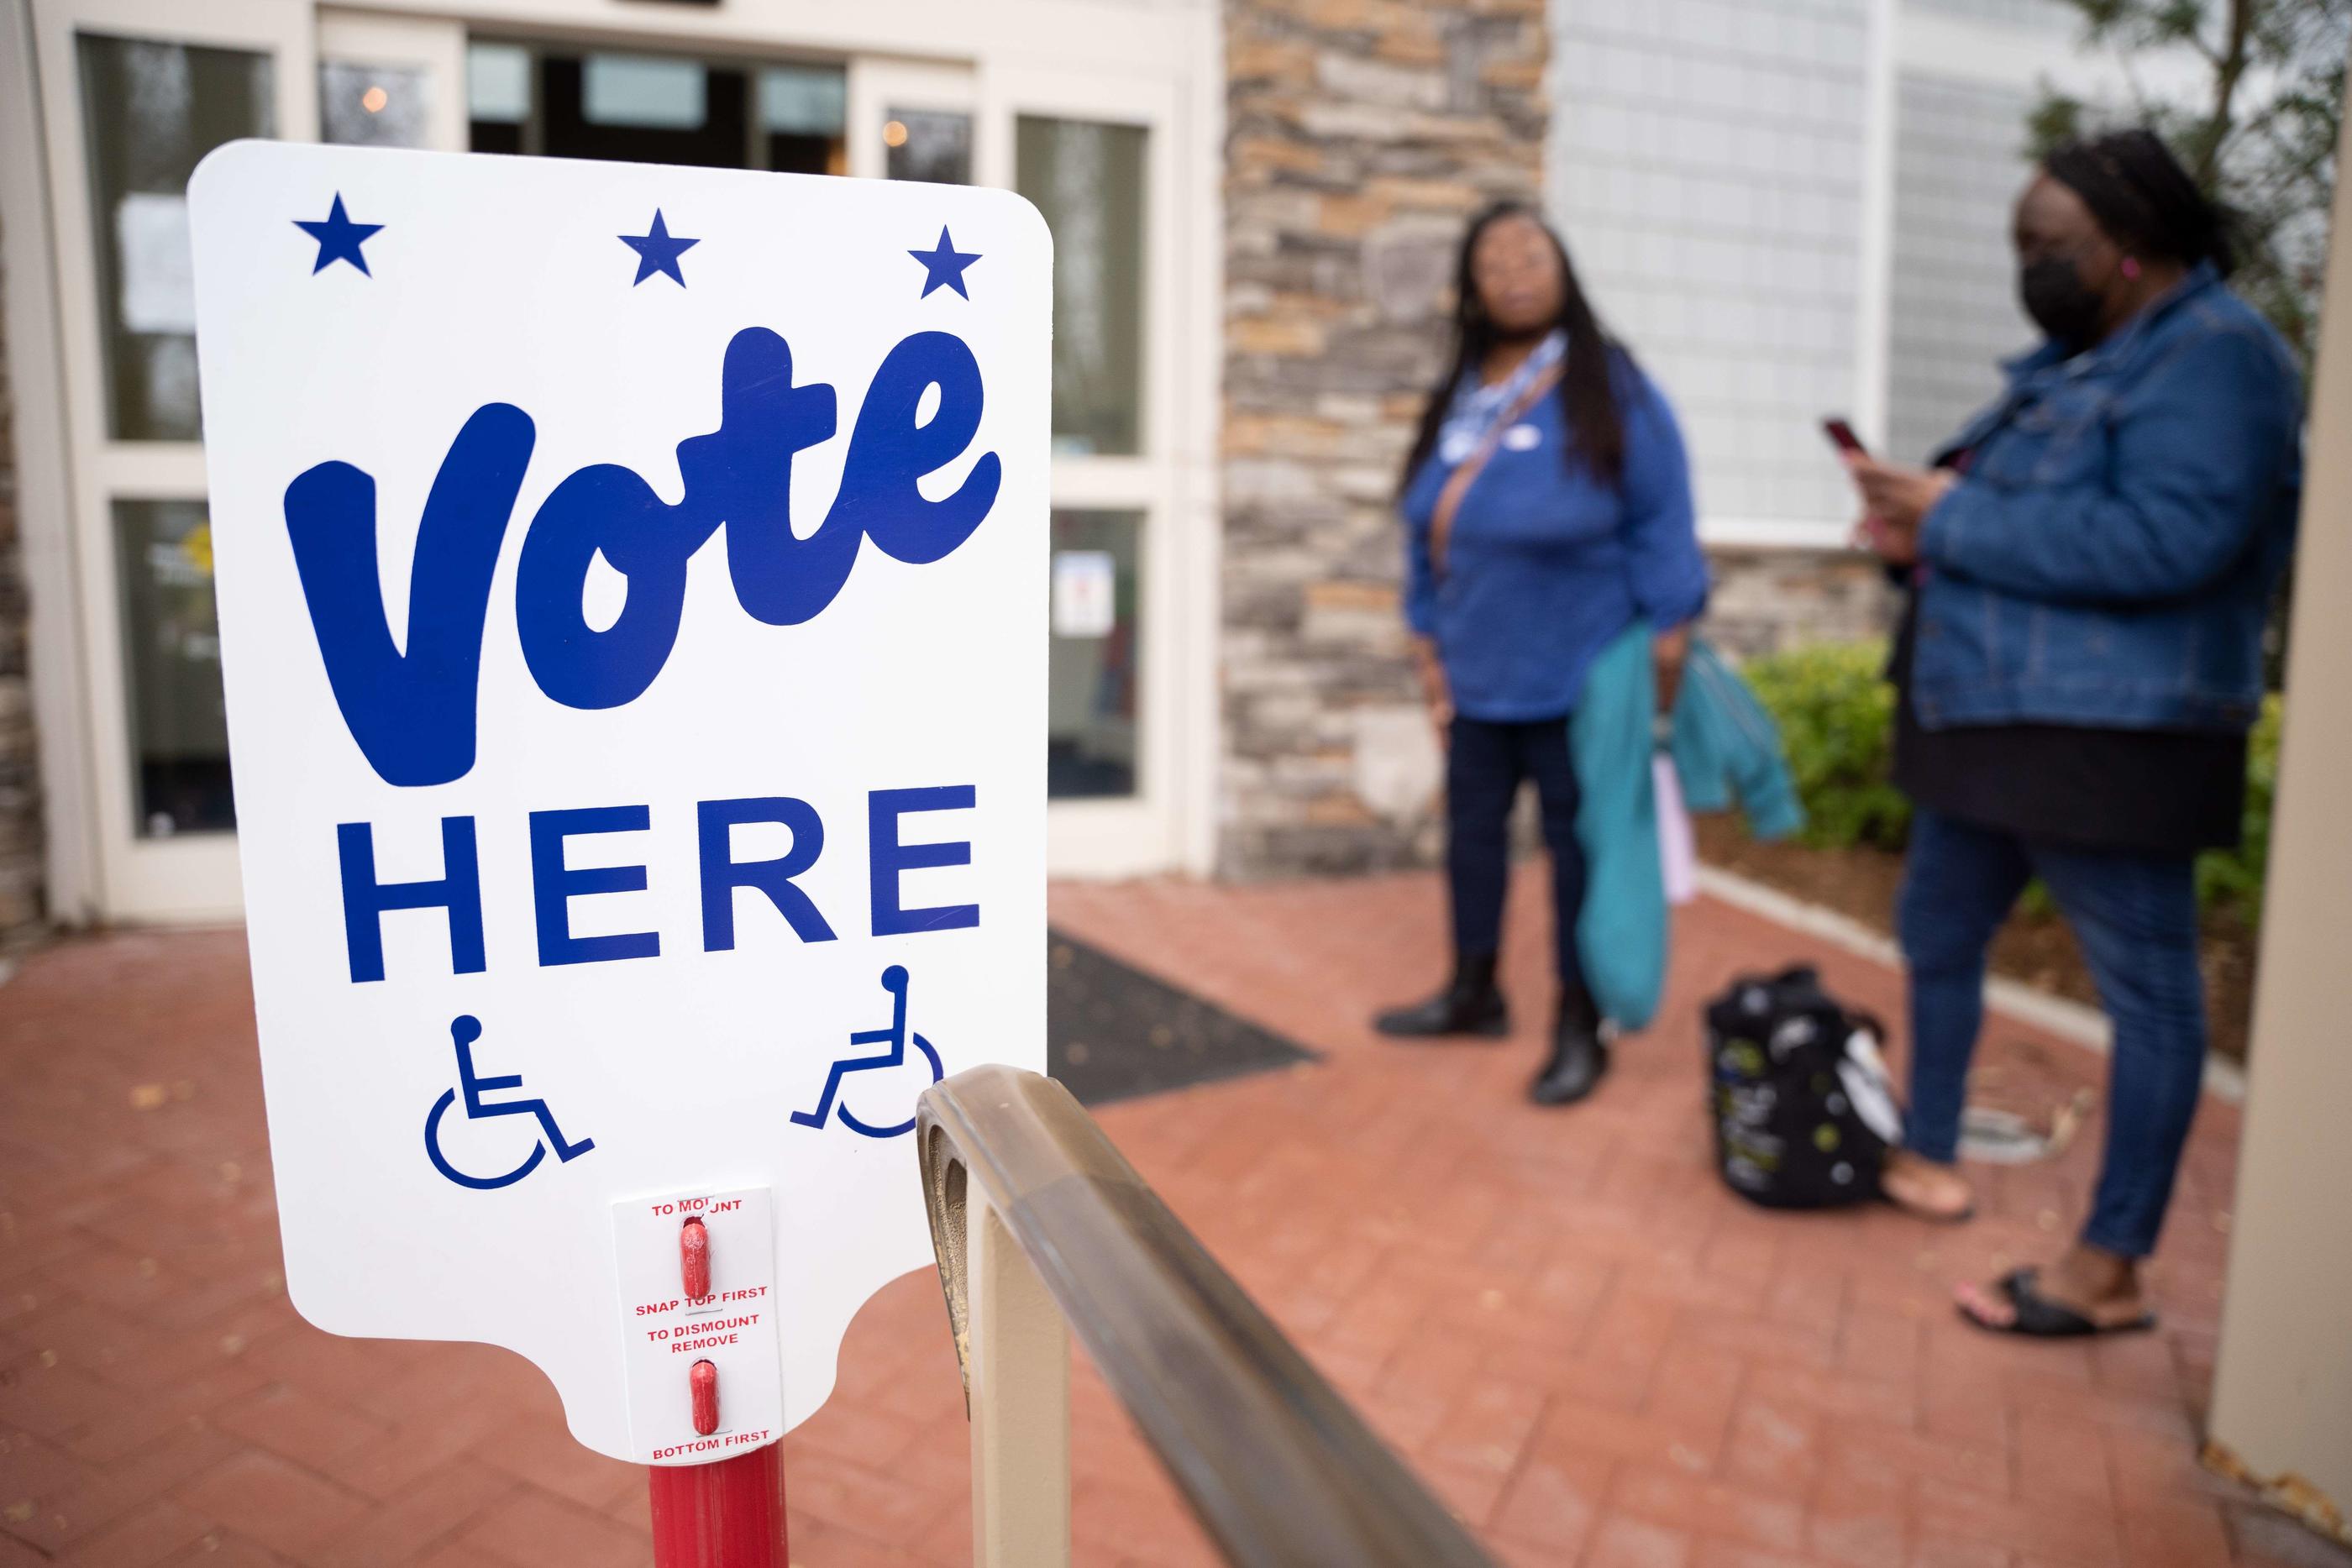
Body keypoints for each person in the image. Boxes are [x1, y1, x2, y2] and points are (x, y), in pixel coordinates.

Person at [1845, 130, 2302, 1336]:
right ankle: (1927, 1148)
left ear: (2133, 247)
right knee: (1937, 926)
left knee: (2146, 991)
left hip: (2112, 731)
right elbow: (2006, 523)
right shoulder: (2068, 362)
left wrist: (1956, 516)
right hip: (1989, 711)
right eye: (2019, 246)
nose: (2028, 266)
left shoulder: (2218, 360)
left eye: (2049, 245)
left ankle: (2111, 1265)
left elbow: (2170, 544)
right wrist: (1918, 533)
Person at [1373, 202, 1709, 1106]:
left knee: (1576, 854)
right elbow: (1421, 525)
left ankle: (1576, 1022)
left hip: (1583, 674)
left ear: (1563, 268)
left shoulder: (1611, 386)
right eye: (1493, 258)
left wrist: (1671, 630)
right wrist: (1424, 639)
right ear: (1471, 288)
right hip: (1477, 674)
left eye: (1533, 252)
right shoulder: (1461, 392)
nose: (1516, 269)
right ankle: (1472, 989)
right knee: (1472, 839)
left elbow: (1661, 516)